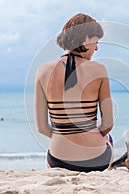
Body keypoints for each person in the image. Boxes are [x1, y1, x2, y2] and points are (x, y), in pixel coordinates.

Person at [34, 13, 114, 172]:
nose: (97, 48)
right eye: (96, 42)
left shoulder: (42, 71)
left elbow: (42, 128)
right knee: (107, 139)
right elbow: (108, 124)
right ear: (85, 40)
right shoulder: (99, 70)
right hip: (96, 160)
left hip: (58, 161)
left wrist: (65, 138)